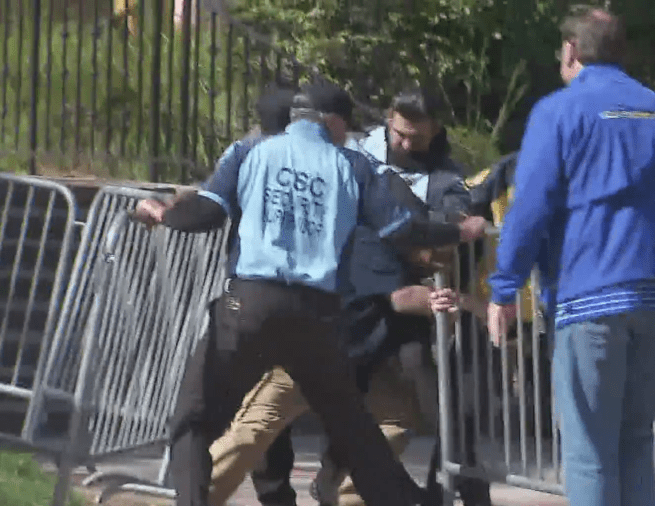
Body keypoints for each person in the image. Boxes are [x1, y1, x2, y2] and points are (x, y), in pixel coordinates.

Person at [133, 80, 489, 506]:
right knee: (355, 432)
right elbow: (404, 231)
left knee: (193, 421)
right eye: (347, 127)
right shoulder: (354, 166)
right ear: (333, 123)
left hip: (250, 305)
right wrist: (458, 230)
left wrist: (161, 213)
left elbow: (207, 212)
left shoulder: (248, 152)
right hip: (316, 316)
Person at [482, 6, 655, 506]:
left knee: (589, 450)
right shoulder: (653, 107)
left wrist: (504, 288)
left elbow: (529, 205)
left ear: (571, 51)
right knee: (636, 440)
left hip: (590, 293)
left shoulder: (558, 111)